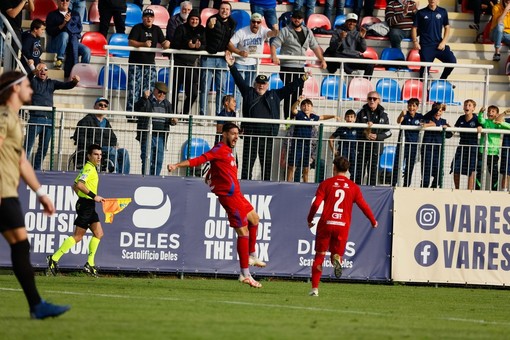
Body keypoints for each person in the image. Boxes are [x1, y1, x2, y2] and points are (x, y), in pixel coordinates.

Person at [0, 71, 70, 319]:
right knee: (21, 244)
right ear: (16, 89)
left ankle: (36, 305)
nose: (32, 90)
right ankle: (36, 305)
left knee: (21, 244)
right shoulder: (4, 115)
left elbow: (21, 161)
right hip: (2, 193)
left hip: (8, 191)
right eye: (28, 86)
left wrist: (41, 192)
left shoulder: (15, 119)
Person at [167, 123, 266, 288]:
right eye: (233, 133)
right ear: (224, 134)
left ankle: (252, 255)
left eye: (237, 134)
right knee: (243, 232)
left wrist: (211, 174)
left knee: (255, 219)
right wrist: (177, 165)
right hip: (229, 197)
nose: (236, 137)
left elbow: (216, 167)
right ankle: (245, 274)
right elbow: (200, 159)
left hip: (238, 195)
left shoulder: (228, 152)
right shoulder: (219, 149)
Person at [225, 50, 310, 181]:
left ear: (267, 85)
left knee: (267, 164)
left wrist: (302, 78)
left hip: (268, 135)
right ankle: (245, 184)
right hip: (251, 134)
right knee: (247, 164)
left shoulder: (274, 95)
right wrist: (231, 66)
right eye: (259, 83)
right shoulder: (248, 93)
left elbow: (289, 88)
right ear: (255, 84)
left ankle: (265, 186)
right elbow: (239, 80)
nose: (261, 85)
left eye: (263, 84)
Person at [306, 156, 378, 297]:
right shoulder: (353, 187)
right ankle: (337, 259)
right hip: (342, 226)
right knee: (335, 256)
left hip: (326, 224)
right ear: (347, 170)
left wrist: (310, 219)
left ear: (334, 168)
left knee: (319, 256)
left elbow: (316, 204)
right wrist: (373, 220)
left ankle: (315, 289)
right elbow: (364, 206)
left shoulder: (326, 184)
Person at [47, 144, 106, 278]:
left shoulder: (90, 168)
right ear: (89, 156)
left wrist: (83, 198)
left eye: (100, 155)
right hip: (87, 205)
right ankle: (54, 259)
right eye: (96, 154)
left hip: (87, 205)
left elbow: (75, 185)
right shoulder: (89, 169)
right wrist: (93, 197)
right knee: (78, 236)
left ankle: (89, 264)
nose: (99, 157)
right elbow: (79, 185)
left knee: (99, 233)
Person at [271, 9, 326, 119]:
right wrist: (274, 56)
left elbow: (315, 46)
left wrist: (322, 59)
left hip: (300, 67)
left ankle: (294, 120)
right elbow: (274, 44)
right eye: (295, 17)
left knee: (297, 95)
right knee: (288, 94)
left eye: (299, 18)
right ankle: (288, 120)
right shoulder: (285, 30)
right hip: (287, 67)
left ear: (303, 19)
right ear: (292, 18)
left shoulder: (307, 31)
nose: (297, 19)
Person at [25, 62, 79, 170]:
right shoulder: (33, 81)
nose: (42, 71)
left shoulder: (52, 83)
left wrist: (74, 82)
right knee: (27, 147)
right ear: (36, 71)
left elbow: (66, 85)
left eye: (45, 69)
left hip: (49, 120)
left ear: (47, 72)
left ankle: (37, 169)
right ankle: (22, 170)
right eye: (40, 70)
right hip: (35, 118)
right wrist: (32, 72)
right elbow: (28, 78)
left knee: (44, 148)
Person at [228, 12, 277, 107]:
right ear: (250, 22)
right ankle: (237, 111)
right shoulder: (242, 32)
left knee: (250, 90)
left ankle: (246, 111)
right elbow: (229, 43)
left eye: (258, 22)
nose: (255, 24)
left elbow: (273, 34)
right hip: (240, 63)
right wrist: (239, 52)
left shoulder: (263, 30)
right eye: (253, 22)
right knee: (238, 89)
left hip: (254, 64)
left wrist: (275, 28)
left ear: (261, 23)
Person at [126, 8, 170, 112]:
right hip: (136, 64)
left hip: (150, 65)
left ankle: (145, 113)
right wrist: (143, 44)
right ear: (142, 18)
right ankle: (132, 114)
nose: (148, 18)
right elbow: (131, 42)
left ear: (154, 18)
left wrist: (166, 44)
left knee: (149, 91)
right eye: (146, 17)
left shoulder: (157, 29)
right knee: (134, 91)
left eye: (150, 17)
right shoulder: (137, 28)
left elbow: (163, 43)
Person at [71, 97, 130, 174]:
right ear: (94, 106)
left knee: (124, 152)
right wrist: (95, 145)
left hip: (105, 148)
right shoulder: (86, 120)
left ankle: (123, 175)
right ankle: (115, 175)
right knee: (112, 151)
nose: (103, 107)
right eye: (100, 105)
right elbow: (79, 138)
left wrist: (114, 145)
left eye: (105, 106)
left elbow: (113, 138)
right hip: (92, 149)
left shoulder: (106, 122)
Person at [199, 2, 236, 116]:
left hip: (222, 58)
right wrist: (210, 25)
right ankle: (203, 115)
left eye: (227, 9)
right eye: (222, 9)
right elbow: (209, 28)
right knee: (205, 87)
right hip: (209, 57)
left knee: (221, 89)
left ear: (230, 11)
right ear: (218, 10)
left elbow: (230, 40)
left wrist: (229, 49)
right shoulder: (212, 19)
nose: (224, 11)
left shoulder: (232, 23)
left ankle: (220, 115)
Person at [287, 97, 336, 183]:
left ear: (311, 107)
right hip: (297, 145)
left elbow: (323, 117)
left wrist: (333, 116)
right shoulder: (300, 114)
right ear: (301, 107)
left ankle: (306, 185)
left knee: (306, 168)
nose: (306, 107)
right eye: (304, 105)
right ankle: (287, 184)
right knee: (292, 167)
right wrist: (298, 101)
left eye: (308, 105)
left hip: (307, 146)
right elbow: (293, 110)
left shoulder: (313, 117)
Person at [134, 82, 177, 176]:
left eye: (164, 93)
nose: (162, 95)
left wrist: (173, 121)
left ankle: (155, 179)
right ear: (155, 90)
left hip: (161, 136)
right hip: (147, 135)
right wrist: (143, 98)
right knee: (146, 159)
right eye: (160, 92)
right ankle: (146, 178)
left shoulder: (167, 104)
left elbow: (170, 120)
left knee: (159, 160)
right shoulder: (146, 99)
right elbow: (136, 108)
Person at [354, 91, 392, 186]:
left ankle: (372, 192)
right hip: (362, 148)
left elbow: (389, 132)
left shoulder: (384, 115)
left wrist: (377, 137)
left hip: (376, 148)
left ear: (378, 101)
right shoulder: (360, 113)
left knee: (373, 173)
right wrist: (365, 133)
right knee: (359, 172)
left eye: (374, 99)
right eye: (369, 98)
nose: (372, 100)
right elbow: (355, 129)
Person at [411, 0, 457, 80]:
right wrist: (415, 41)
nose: (432, 0)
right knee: (424, 73)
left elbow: (447, 27)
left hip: (439, 45)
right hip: (426, 46)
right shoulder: (421, 12)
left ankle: (442, 79)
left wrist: (443, 42)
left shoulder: (443, 11)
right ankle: (424, 90)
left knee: (452, 61)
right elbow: (414, 28)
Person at [171, 8, 204, 116]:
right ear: (189, 19)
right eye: (192, 19)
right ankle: (172, 115)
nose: (194, 21)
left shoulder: (202, 30)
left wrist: (198, 47)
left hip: (191, 66)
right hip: (179, 64)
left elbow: (206, 44)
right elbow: (175, 43)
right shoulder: (181, 28)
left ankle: (184, 114)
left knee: (193, 93)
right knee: (174, 91)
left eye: (196, 19)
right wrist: (187, 45)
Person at [45, 0, 91, 75]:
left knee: (87, 51)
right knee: (64, 35)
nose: (65, 2)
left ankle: (83, 73)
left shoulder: (75, 14)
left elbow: (79, 29)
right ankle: (59, 60)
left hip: (71, 42)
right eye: (62, 0)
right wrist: (63, 24)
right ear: (57, 2)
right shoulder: (51, 14)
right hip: (56, 44)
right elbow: (50, 31)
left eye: (67, 0)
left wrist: (69, 22)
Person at [324, 13, 374, 78]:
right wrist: (340, 38)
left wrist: (362, 38)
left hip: (354, 58)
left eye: (354, 22)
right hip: (342, 57)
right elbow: (332, 48)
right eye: (350, 21)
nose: (351, 23)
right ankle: (351, 72)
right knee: (335, 55)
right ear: (346, 21)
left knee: (370, 63)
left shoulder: (358, 33)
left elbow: (363, 50)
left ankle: (365, 83)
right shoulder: (338, 32)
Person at [475, 106, 510, 190]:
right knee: (479, 172)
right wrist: (480, 113)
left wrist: (501, 123)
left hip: (493, 153)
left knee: (494, 173)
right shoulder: (486, 122)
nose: (490, 113)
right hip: (482, 151)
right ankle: (477, 190)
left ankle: (494, 191)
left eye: (493, 111)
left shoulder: (499, 124)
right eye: (489, 111)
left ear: (497, 114)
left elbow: (508, 126)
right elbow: (480, 120)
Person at [451, 99, 481, 190]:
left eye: (469, 105)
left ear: (473, 108)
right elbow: (454, 130)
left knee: (470, 170)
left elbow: (482, 126)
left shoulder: (476, 119)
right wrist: (447, 128)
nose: (467, 107)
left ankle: (469, 191)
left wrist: (480, 127)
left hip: (472, 148)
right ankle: (457, 190)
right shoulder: (461, 118)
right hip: (462, 147)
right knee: (455, 168)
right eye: (465, 105)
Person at [392, 98, 422, 187]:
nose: (411, 108)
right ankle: (393, 184)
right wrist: (401, 114)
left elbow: (430, 122)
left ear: (417, 107)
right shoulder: (405, 115)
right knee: (397, 164)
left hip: (412, 146)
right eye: (410, 105)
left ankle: (406, 185)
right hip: (402, 145)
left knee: (410, 166)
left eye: (414, 106)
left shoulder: (420, 116)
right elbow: (398, 121)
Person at [420, 102, 452, 188]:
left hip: (438, 149)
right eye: (437, 110)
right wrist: (432, 124)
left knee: (439, 173)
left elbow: (449, 135)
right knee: (426, 171)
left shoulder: (444, 121)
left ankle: (433, 188)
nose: (438, 112)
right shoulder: (428, 118)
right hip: (427, 148)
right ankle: (424, 189)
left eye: (440, 110)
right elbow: (422, 122)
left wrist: (449, 128)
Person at [0, 0, 34, 69]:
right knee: (12, 57)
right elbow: (12, 14)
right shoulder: (5, 1)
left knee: (15, 55)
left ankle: (12, 73)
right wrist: (23, 1)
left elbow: (31, 9)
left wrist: (29, 1)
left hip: (17, 30)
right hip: (10, 30)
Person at [328, 109, 358, 179]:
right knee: (339, 171)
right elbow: (330, 139)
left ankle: (351, 186)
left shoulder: (358, 128)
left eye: (351, 117)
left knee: (354, 172)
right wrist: (333, 150)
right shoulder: (341, 128)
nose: (349, 119)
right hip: (343, 153)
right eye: (347, 117)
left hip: (353, 154)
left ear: (355, 118)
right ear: (345, 118)